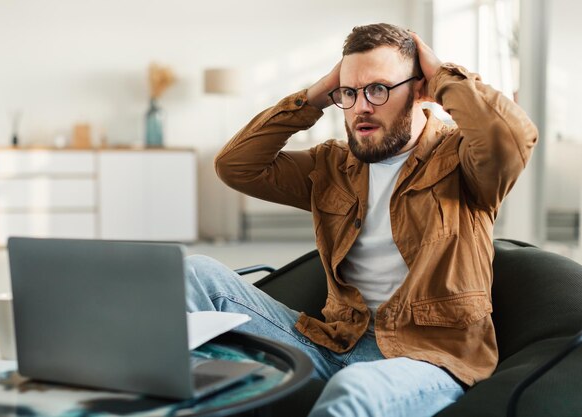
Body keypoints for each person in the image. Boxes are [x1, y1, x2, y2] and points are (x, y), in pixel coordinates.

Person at [186, 23, 538, 417]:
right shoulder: (333, 165)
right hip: (333, 342)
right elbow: (235, 166)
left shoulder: (462, 160)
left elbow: (512, 138)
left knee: (355, 389)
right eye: (349, 93)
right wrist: (315, 96)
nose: (361, 107)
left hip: (428, 357)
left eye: (378, 89)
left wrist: (442, 76)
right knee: (192, 272)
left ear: (418, 91)